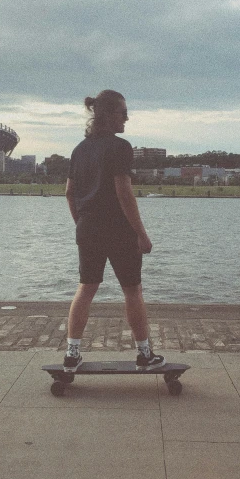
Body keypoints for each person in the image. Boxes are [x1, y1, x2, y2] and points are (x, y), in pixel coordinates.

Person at [63, 89, 166, 373]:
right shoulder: (120, 147)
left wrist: (82, 223)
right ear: (108, 115)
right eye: (123, 113)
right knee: (133, 291)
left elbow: (69, 193)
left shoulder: (79, 150)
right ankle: (144, 354)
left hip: (88, 228)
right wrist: (142, 234)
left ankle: (72, 353)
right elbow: (124, 194)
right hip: (119, 231)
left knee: (86, 288)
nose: (127, 119)